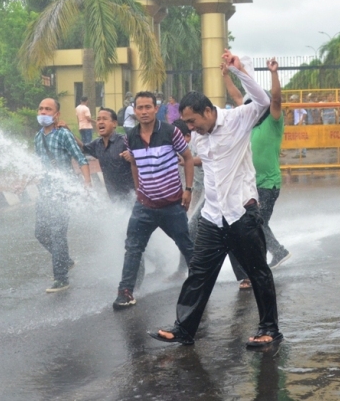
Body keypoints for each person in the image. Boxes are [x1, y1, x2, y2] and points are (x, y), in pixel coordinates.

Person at [149, 51, 281, 349]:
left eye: (193, 121)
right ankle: (184, 328)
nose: (190, 127)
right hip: (213, 216)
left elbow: (262, 101)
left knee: (258, 272)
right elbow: (204, 165)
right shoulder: (198, 135)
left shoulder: (237, 120)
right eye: (187, 123)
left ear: (208, 111)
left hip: (242, 214)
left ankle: (270, 329)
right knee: (198, 272)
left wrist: (239, 70)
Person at [112, 91, 195, 310]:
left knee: (186, 245)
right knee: (133, 247)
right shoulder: (130, 136)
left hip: (172, 205)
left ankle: (200, 284)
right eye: (140, 108)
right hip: (145, 206)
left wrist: (188, 190)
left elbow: (187, 158)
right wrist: (139, 189)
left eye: (148, 107)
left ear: (156, 109)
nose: (144, 111)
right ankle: (125, 292)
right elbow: (133, 163)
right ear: (134, 110)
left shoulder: (170, 132)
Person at [223, 56, 290, 291]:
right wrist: (226, 75)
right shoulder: (250, 124)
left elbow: (277, 99)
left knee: (257, 224)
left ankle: (274, 254)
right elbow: (236, 98)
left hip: (268, 184)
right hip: (250, 184)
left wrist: (273, 73)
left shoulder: (273, 121)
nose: (250, 108)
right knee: (253, 224)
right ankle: (268, 257)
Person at [33, 98, 92, 293]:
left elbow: (81, 158)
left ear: (56, 114)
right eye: (41, 108)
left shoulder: (63, 134)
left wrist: (86, 183)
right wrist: (24, 182)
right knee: (41, 233)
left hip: (63, 191)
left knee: (58, 233)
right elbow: (38, 165)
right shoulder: (37, 137)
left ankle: (61, 278)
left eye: (48, 109)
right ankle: (65, 260)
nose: (43, 112)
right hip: (45, 192)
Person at [171, 118, 205, 280]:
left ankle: (187, 271)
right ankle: (184, 270)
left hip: (216, 196)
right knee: (189, 230)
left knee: (190, 230)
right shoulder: (182, 149)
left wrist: (187, 162)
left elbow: (199, 180)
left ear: (186, 136)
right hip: (205, 196)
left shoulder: (195, 146)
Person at [83, 108, 135, 201]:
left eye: (104, 119)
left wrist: (133, 157)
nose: (100, 122)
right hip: (114, 198)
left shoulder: (125, 141)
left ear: (114, 123)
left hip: (132, 196)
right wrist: (68, 132)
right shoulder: (97, 144)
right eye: (98, 119)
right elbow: (82, 148)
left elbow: (144, 158)